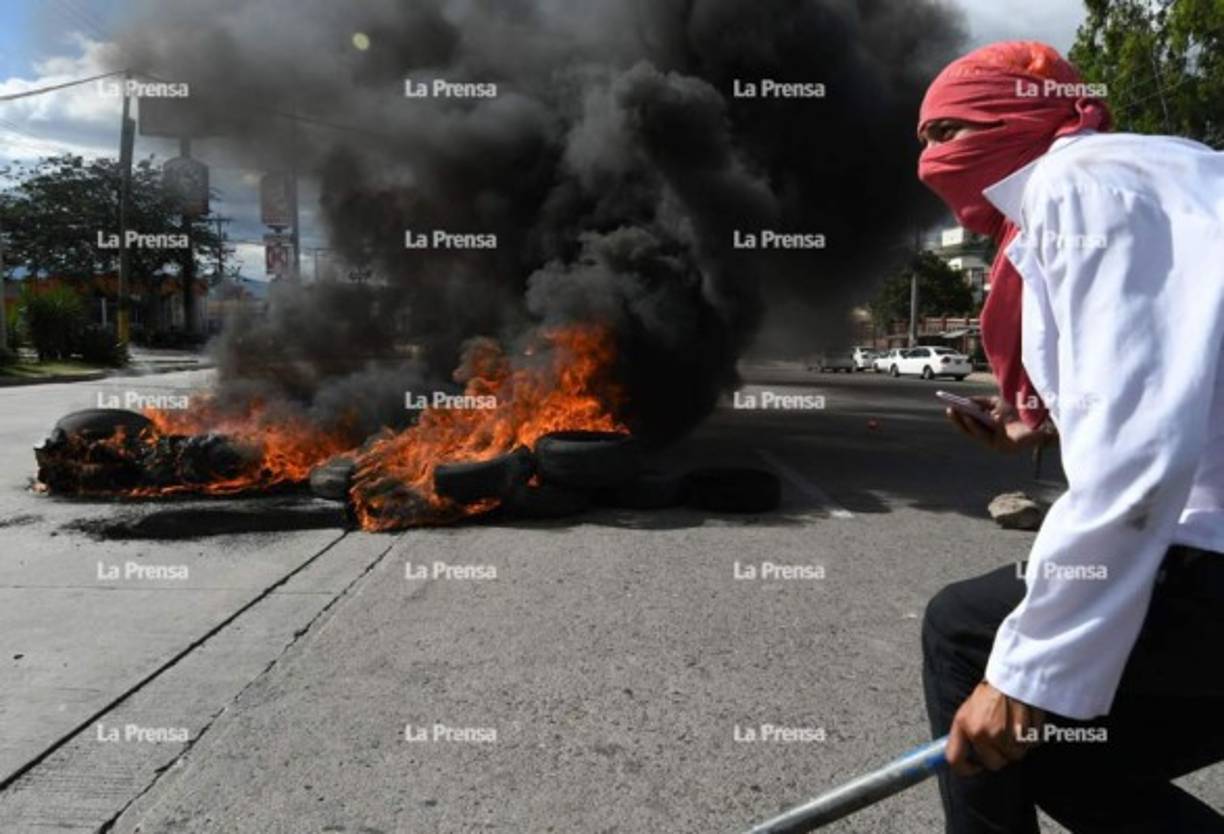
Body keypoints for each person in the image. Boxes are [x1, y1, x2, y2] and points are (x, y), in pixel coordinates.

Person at [915, 41, 1224, 832]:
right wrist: (1037, 426)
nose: (929, 158)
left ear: (1009, 114)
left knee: (964, 634)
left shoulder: (1073, 187)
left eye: (945, 129)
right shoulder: (1174, 170)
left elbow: (1140, 455)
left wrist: (1023, 673)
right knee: (1070, 753)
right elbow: (1184, 372)